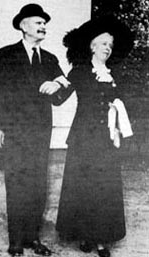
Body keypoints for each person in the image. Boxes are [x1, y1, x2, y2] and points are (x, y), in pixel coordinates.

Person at [0, 4, 69, 257]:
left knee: (37, 186)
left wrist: (57, 84)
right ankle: (15, 241)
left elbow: (66, 89)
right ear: (23, 26)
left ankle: (33, 238)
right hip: (13, 132)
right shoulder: (5, 55)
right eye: (37, 22)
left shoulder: (50, 60)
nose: (43, 26)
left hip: (40, 134)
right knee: (16, 185)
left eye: (44, 23)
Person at [55, 15, 134, 257]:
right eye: (103, 44)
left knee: (104, 188)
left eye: (110, 45)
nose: (108, 49)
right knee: (83, 186)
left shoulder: (113, 75)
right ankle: (85, 234)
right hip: (83, 138)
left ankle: (102, 240)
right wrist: (53, 83)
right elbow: (58, 98)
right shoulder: (78, 72)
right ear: (91, 46)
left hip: (107, 140)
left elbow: (120, 104)